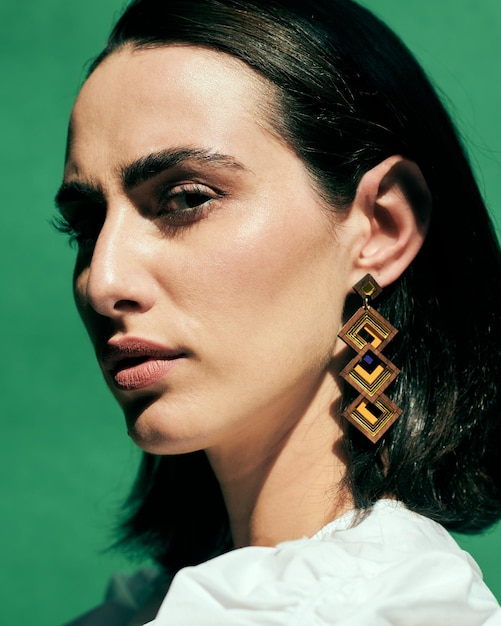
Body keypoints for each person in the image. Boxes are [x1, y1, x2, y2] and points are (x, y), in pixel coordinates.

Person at [55, 0, 501, 623]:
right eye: (84, 223)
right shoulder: (157, 606)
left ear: (380, 229)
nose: (103, 282)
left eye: (186, 198)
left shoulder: (393, 609)